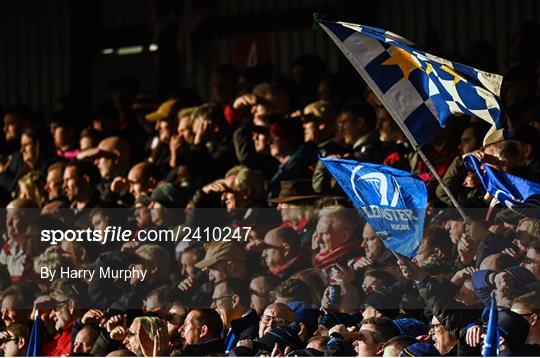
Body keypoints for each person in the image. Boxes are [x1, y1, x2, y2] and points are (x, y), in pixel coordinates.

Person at [212, 278, 258, 352]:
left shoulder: (252, 332)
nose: (212, 306)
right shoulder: (226, 328)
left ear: (234, 300)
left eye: (216, 300)